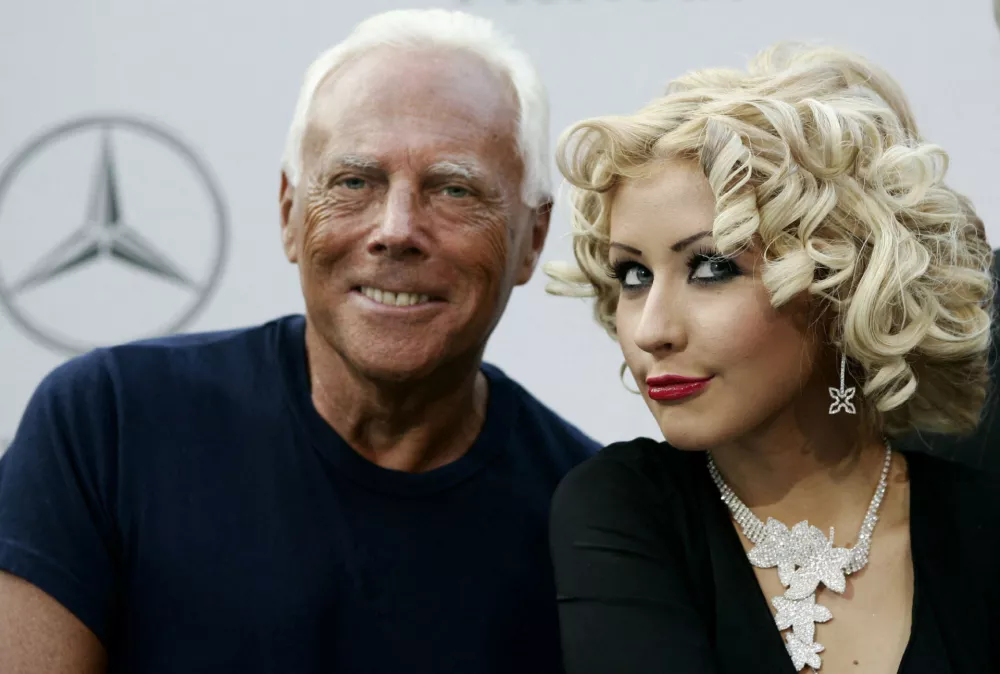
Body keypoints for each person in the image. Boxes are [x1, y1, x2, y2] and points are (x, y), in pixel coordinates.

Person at [0, 9, 597, 673]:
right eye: (354, 182)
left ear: (533, 239)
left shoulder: (593, 521)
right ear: (289, 212)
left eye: (453, 189)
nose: (395, 229)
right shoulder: (107, 423)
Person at [545, 44, 998, 673]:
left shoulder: (980, 524)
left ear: (843, 282)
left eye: (711, 267)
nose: (652, 330)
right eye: (632, 274)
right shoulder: (624, 509)